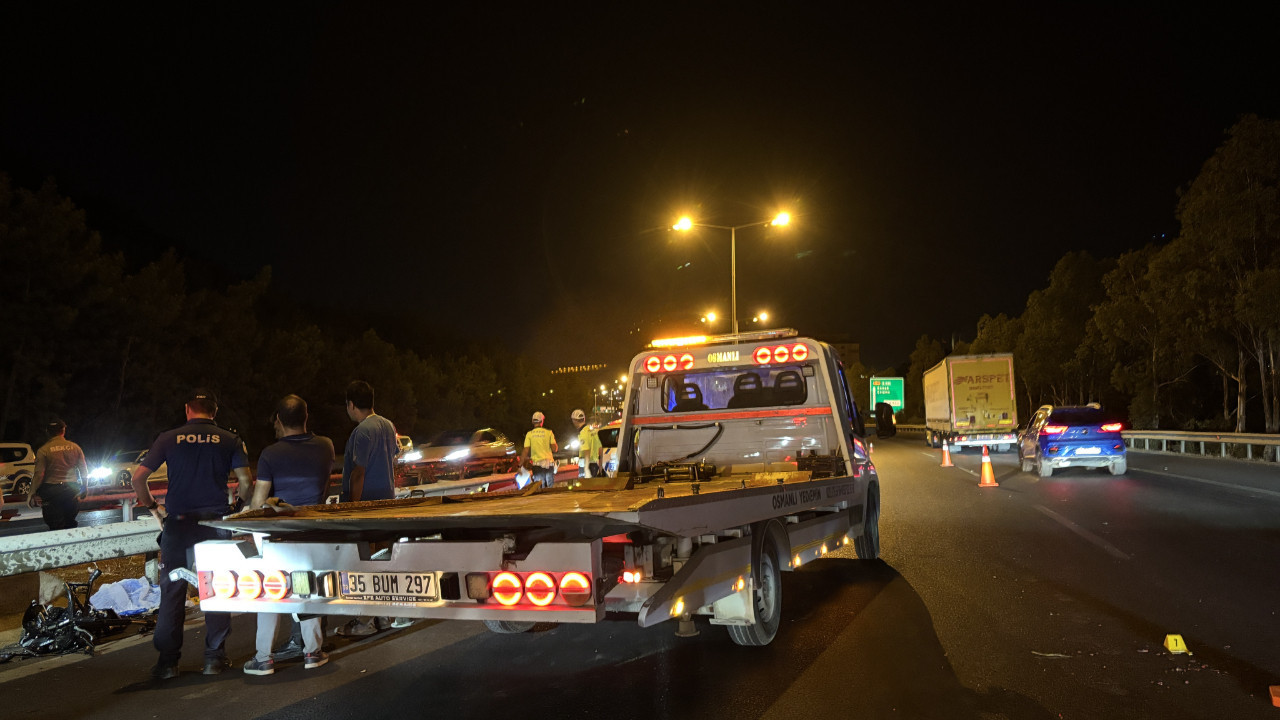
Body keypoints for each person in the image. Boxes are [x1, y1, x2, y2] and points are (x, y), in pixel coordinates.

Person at [132, 388, 253, 680]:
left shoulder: (168, 438)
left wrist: (153, 508)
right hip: (214, 523)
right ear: (214, 411)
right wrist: (237, 506)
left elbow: (138, 478)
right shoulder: (230, 439)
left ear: (188, 409)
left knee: (172, 590)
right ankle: (214, 658)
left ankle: (167, 663)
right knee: (216, 587)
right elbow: (246, 482)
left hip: (178, 524)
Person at [240, 394, 334, 675]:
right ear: (306, 418)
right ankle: (312, 653)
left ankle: (263, 658)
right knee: (308, 589)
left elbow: (258, 502)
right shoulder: (326, 446)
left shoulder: (270, 454)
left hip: (279, 534)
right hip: (312, 530)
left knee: (270, 589)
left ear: (279, 420)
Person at [335, 380, 405, 636]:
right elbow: (393, 458)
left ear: (351, 404)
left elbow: (358, 472)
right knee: (382, 562)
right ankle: (384, 617)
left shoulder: (362, 431)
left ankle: (363, 622)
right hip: (386, 501)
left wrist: (354, 508)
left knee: (364, 563)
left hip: (365, 504)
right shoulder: (387, 425)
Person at [26, 419, 89, 530]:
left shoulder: (43, 450)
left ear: (47, 432)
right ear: (63, 430)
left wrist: (31, 493)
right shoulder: (75, 447)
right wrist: (84, 487)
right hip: (72, 490)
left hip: (51, 492)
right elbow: (83, 470)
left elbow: (39, 474)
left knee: (55, 527)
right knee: (70, 523)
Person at [522, 411, 558, 489]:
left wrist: (520, 465)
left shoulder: (529, 434)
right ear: (542, 421)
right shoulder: (549, 433)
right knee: (549, 490)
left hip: (537, 466)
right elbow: (554, 449)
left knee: (539, 491)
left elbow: (525, 451)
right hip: (549, 465)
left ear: (532, 421)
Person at [572, 409, 602, 478]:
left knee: (584, 487)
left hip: (587, 464)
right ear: (584, 419)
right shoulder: (592, 430)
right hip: (595, 464)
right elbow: (600, 448)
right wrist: (600, 466)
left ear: (575, 421)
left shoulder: (583, 433)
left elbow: (586, 451)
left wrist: (586, 469)